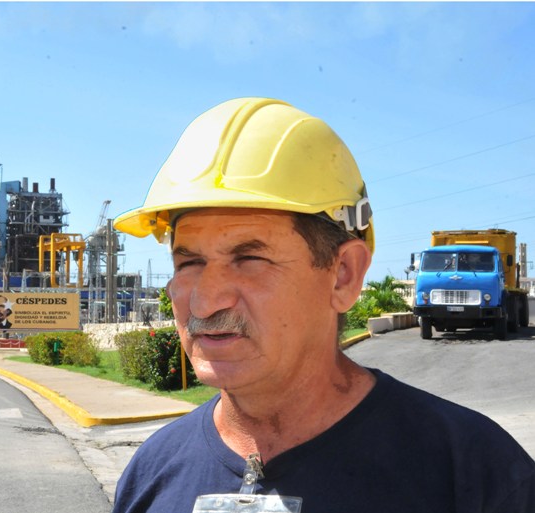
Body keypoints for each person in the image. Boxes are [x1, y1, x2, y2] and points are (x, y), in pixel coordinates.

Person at [111, 98, 535, 513]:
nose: (205, 299)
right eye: (189, 261)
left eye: (250, 259)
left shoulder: (474, 476)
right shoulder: (152, 472)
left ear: (343, 274)